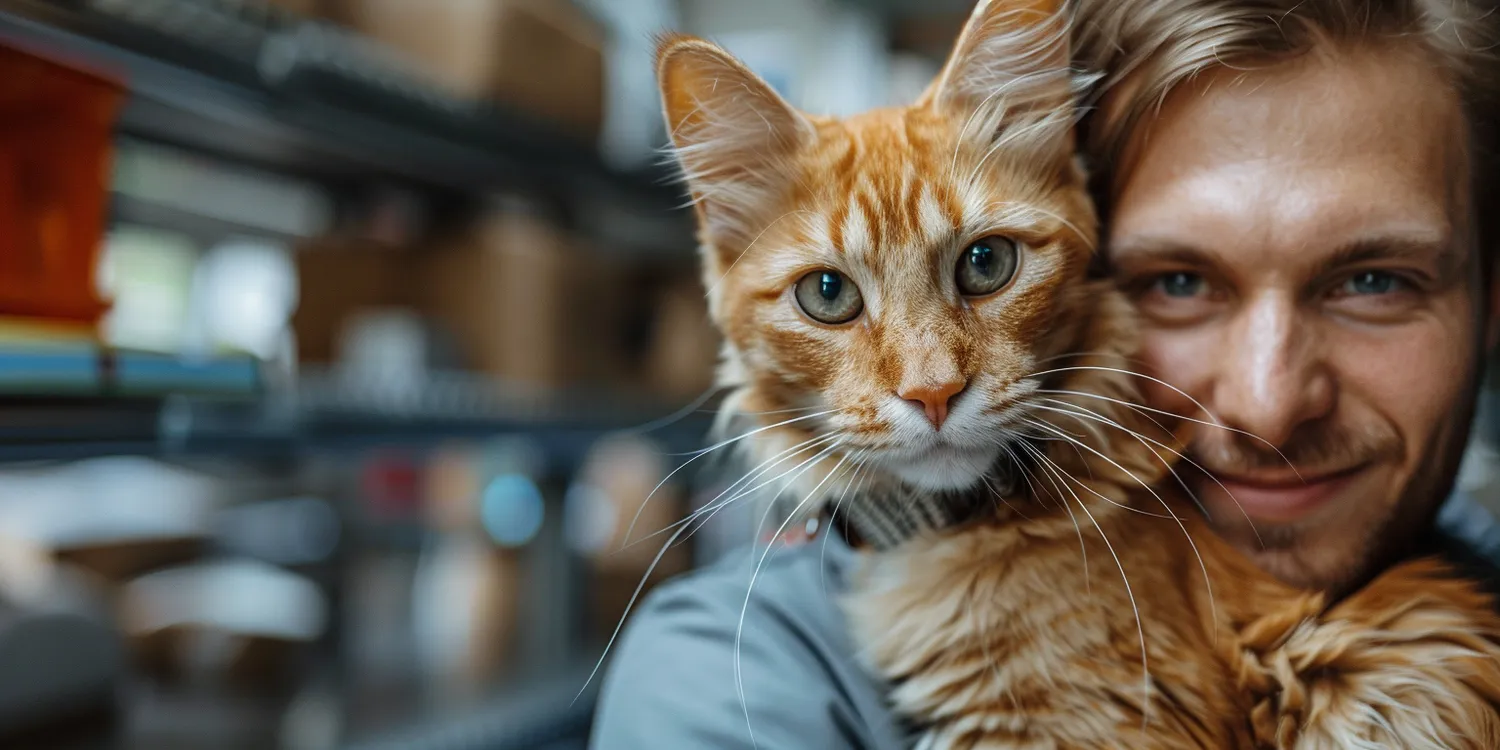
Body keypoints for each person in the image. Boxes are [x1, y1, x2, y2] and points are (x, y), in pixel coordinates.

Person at [589, 0, 1500, 746]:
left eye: (1375, 280)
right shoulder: (725, 675)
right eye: (1179, 281)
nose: (930, 378)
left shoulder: (1446, 548)